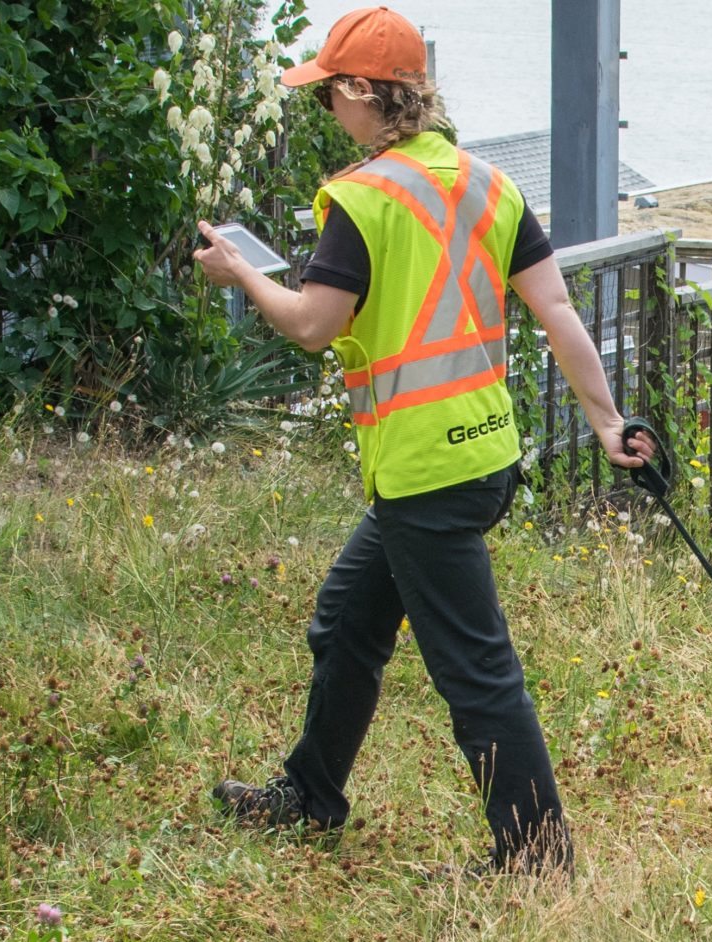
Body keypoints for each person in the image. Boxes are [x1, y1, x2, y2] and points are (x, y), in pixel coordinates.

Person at [192, 5, 647, 873]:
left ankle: (536, 854)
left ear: (366, 93)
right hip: (484, 456)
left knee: (475, 670)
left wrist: (240, 270)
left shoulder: (361, 200)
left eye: (331, 94)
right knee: (346, 622)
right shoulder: (487, 185)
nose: (328, 109)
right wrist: (604, 421)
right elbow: (556, 312)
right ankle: (311, 794)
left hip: (425, 472)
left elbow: (313, 324)